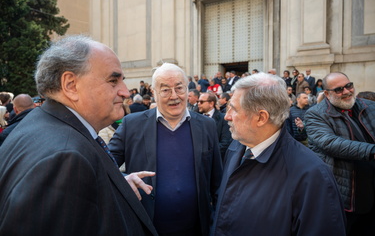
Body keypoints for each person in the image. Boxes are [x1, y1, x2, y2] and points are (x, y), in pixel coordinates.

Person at [0, 35, 157, 235]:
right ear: (70, 85)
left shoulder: (39, 124)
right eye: (113, 80)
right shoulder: (65, 159)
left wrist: (115, 186)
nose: (125, 92)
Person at [211, 72, 346, 235]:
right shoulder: (235, 148)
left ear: (261, 118)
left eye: (233, 109)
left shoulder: (312, 176)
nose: (227, 116)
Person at [109, 62, 223, 236]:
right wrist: (125, 178)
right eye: (165, 90)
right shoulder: (132, 124)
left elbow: (217, 182)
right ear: (154, 93)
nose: (174, 96)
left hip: (197, 229)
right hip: (146, 227)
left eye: (179, 88)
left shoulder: (206, 125)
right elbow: (104, 163)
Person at [305, 72, 375, 236]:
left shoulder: (368, 106)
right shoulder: (315, 114)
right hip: (346, 196)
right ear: (327, 94)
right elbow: (330, 143)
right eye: (338, 89)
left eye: (348, 86)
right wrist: (372, 151)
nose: (346, 91)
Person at [198, 92, 232, 161]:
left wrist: (205, 153)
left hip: (215, 161)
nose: (198, 104)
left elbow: (225, 143)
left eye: (201, 102)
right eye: (198, 101)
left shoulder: (223, 119)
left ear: (211, 104)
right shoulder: (196, 118)